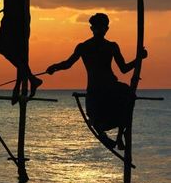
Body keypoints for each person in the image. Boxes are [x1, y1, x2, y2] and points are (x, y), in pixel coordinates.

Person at [46, 13, 147, 149]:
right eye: (97, 27)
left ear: (107, 29)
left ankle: (119, 136)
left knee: (129, 97)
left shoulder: (112, 46)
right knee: (95, 118)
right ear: (91, 28)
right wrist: (54, 67)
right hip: (95, 88)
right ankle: (105, 135)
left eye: (102, 27)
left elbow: (123, 68)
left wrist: (139, 59)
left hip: (111, 85)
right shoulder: (84, 47)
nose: (99, 30)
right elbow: (68, 64)